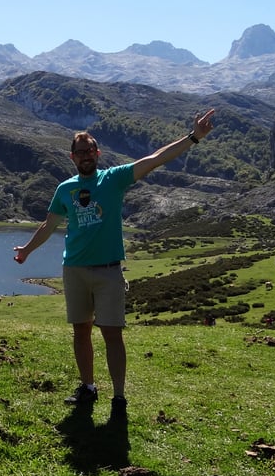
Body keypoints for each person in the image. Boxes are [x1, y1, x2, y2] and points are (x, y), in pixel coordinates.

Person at [13, 109, 216, 410]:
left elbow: (155, 158)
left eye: (90, 151)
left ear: (98, 153)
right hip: (75, 270)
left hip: (108, 271)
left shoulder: (114, 178)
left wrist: (193, 138)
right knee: (80, 330)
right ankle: (88, 387)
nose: (85, 156)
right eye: (80, 152)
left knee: (111, 333)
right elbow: (49, 225)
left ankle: (119, 396)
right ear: (72, 157)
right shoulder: (65, 189)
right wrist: (28, 250)